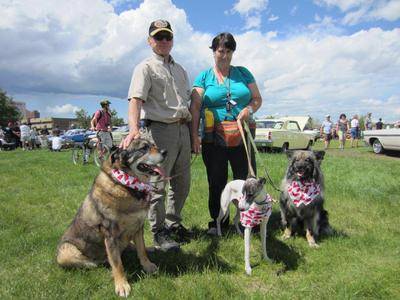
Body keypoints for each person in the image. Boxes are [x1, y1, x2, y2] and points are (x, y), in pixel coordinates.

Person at [122, 20, 192, 251]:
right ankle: (159, 232)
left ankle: (173, 224)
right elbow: (135, 100)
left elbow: (189, 102)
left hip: (183, 130)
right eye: (158, 37)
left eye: (167, 37)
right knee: (158, 185)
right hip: (159, 131)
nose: (163, 41)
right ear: (149, 40)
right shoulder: (145, 67)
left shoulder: (180, 69)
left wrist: (194, 135)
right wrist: (134, 129)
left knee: (182, 184)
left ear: (172, 40)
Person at [190, 32, 263, 235]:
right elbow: (195, 107)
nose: (225, 55)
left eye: (229, 51)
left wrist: (248, 109)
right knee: (216, 180)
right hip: (213, 137)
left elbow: (257, 98)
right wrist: (194, 134)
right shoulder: (204, 77)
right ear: (214, 51)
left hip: (242, 134)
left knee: (246, 179)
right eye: (221, 51)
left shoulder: (243, 73)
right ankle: (217, 222)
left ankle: (248, 221)